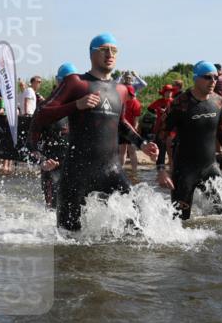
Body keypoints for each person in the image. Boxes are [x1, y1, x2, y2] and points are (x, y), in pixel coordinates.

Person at [31, 34, 157, 231]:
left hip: (111, 170)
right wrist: (75, 105)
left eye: (114, 50)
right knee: (67, 238)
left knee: (139, 228)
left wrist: (142, 144)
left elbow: (121, 123)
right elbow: (42, 114)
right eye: (104, 49)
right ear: (92, 53)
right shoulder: (76, 83)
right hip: (76, 173)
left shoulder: (121, 89)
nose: (110, 54)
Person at [155, 61, 222, 220]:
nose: (213, 81)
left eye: (215, 77)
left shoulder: (218, 101)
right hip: (185, 171)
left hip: (210, 167)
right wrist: (161, 169)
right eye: (207, 77)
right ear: (195, 78)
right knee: (180, 221)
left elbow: (221, 129)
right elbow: (161, 135)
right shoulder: (180, 104)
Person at [30, 62, 75, 209]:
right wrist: (43, 161)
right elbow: (30, 144)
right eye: (66, 82)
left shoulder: (81, 107)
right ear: (58, 81)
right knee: (52, 212)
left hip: (74, 167)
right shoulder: (45, 108)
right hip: (52, 169)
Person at [118, 85, 142, 171]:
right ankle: (120, 171)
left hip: (130, 130)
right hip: (121, 130)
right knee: (122, 151)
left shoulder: (135, 103)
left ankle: (134, 171)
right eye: (130, 94)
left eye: (132, 95)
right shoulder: (120, 102)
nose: (132, 96)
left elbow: (136, 118)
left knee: (132, 151)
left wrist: (134, 130)